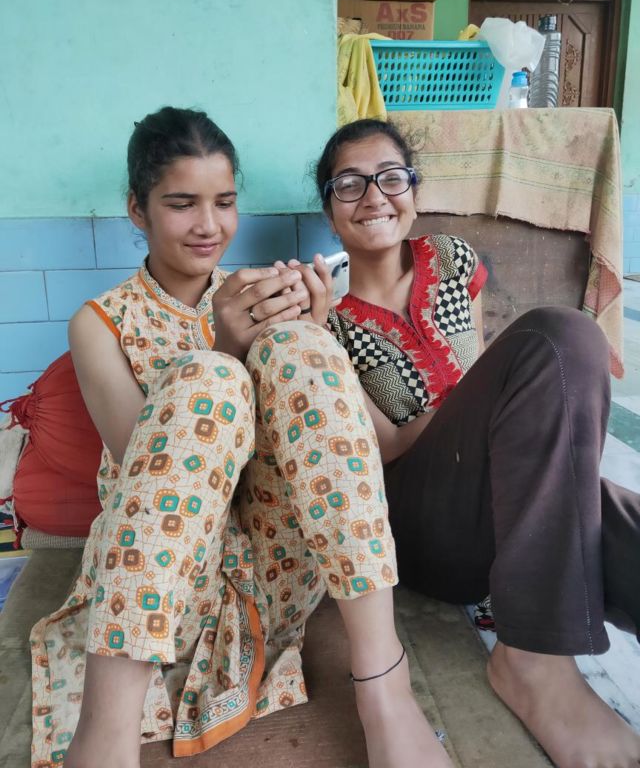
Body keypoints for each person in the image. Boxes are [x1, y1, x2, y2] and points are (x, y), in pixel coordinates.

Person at [30, 108, 449, 768]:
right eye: (181, 204)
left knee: (299, 346)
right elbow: (145, 472)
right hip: (164, 588)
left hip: (273, 571)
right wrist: (223, 349)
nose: (209, 225)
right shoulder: (100, 323)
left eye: (224, 202)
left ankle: (384, 686)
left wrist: (316, 332)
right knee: (210, 378)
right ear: (137, 210)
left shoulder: (259, 293)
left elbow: (317, 444)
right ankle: (106, 735)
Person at [311, 118, 640, 768]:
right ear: (330, 210)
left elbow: (482, 363)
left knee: (602, 507)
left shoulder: (453, 258)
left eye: (391, 178)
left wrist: (500, 412)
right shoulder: (330, 323)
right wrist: (485, 410)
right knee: (562, 337)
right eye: (349, 184)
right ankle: (533, 658)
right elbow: (384, 448)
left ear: (415, 190)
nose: (374, 196)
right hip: (424, 525)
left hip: (500, 493)